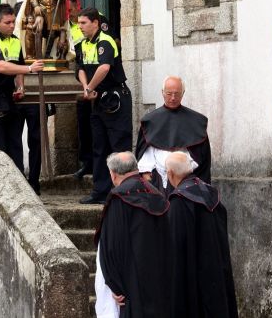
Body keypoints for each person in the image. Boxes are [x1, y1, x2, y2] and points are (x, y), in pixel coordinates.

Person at [94, 152, 170, 318]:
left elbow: (112, 245)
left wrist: (114, 285)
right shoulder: (157, 194)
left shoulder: (119, 198)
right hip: (158, 280)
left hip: (128, 285)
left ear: (113, 174)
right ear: (136, 168)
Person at [166, 152, 238, 318]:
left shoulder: (179, 202)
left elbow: (174, 247)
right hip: (216, 271)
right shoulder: (211, 193)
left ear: (170, 174)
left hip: (192, 275)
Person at [75, 8, 132, 204]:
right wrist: (86, 87)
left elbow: (105, 67)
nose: (80, 27)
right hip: (97, 101)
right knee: (99, 147)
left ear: (95, 23)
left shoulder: (105, 41)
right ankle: (100, 192)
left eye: (83, 23)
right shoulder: (82, 44)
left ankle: (124, 192)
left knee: (119, 147)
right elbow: (80, 68)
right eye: (79, 23)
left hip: (114, 99)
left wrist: (90, 87)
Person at [0, 3, 44, 175]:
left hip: (9, 95)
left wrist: (21, 86)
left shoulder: (16, 41)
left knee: (14, 142)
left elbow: (17, 67)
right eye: (7, 22)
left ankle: (19, 183)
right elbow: (1, 67)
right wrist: (30, 69)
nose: (12, 25)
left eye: (13, 21)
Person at [135, 76, 211, 191]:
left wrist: (183, 170)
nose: (173, 98)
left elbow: (200, 155)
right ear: (162, 93)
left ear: (183, 93)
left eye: (177, 94)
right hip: (157, 179)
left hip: (187, 177)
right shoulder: (150, 121)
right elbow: (146, 151)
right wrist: (146, 170)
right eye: (169, 93)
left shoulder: (196, 121)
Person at [13, 1, 43, 195]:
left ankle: (34, 181)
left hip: (35, 94)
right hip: (16, 95)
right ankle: (19, 180)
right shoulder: (12, 41)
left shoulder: (39, 33)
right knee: (14, 139)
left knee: (36, 140)